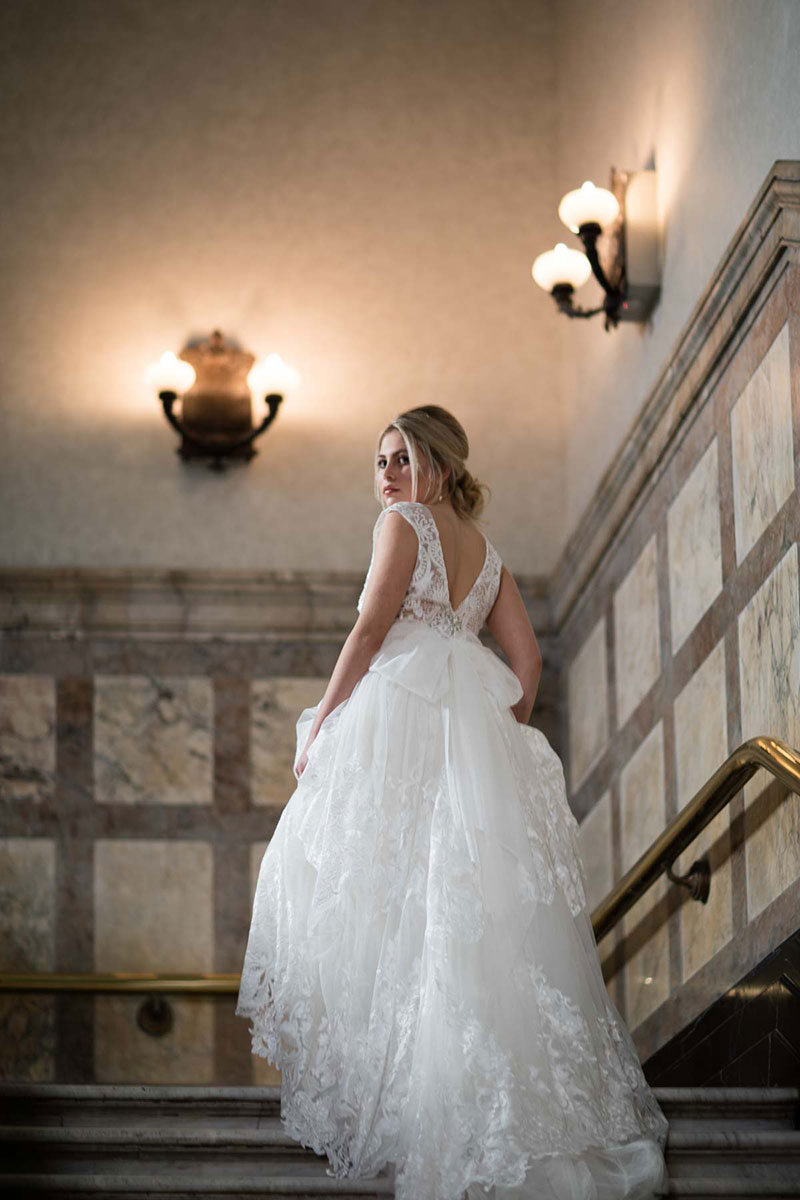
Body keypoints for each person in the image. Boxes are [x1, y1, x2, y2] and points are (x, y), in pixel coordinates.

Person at [235, 405, 669, 1200]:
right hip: (467, 721)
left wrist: (323, 720)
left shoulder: (403, 523)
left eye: (402, 457)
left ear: (436, 462)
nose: (388, 475)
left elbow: (370, 629)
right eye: (380, 461)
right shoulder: (488, 553)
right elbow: (528, 661)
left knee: (374, 891)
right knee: (455, 914)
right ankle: (466, 1111)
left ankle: (423, 1108)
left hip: (400, 709)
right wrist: (493, 741)